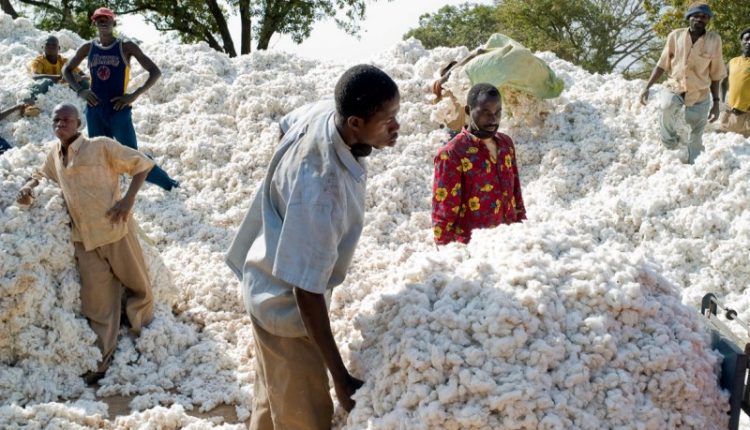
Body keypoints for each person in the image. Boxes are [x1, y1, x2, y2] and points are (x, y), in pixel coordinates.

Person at [225, 64, 400, 430]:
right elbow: (305, 292)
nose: (396, 126)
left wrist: (284, 192)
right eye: (387, 120)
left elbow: (285, 125)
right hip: (285, 311)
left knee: (273, 397)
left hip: (262, 279)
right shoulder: (322, 190)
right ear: (354, 122)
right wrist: (340, 379)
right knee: (304, 417)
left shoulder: (324, 111)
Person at [16, 103, 155, 385]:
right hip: (85, 241)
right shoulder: (55, 155)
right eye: (56, 119)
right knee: (97, 305)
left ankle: (146, 341)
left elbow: (143, 164)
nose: (60, 123)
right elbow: (41, 174)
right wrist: (29, 187)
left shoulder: (101, 146)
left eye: (66, 119)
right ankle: (102, 361)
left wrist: (128, 200)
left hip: (116, 230)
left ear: (79, 124)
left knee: (138, 286)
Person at [63, 7, 179, 191]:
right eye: (99, 19)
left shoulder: (126, 47)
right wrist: (80, 90)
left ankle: (170, 185)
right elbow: (66, 70)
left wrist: (133, 95)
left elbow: (155, 72)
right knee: (100, 154)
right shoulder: (88, 48)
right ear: (95, 22)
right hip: (95, 111)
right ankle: (109, 192)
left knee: (132, 156)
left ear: (113, 22)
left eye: (106, 19)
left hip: (118, 111)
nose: (102, 22)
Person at [432, 83, 525, 245]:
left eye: (498, 112)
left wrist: (522, 229)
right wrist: (446, 255)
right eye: (485, 112)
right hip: (474, 251)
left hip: (509, 245)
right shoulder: (453, 154)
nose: (493, 119)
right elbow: (443, 212)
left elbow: (516, 194)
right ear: (468, 111)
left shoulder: (505, 144)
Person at [639, 2, 726, 164]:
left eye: (704, 17)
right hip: (675, 87)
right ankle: (670, 143)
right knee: (666, 106)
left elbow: (716, 74)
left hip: (700, 93)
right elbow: (661, 64)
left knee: (696, 132)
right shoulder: (675, 36)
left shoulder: (714, 40)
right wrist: (647, 87)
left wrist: (716, 102)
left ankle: (695, 163)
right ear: (689, 17)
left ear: (708, 20)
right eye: (697, 16)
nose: (700, 19)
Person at [431, 33, 564, 132]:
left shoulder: (463, 77)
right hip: (526, 65)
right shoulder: (479, 63)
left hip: (518, 66)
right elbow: (478, 52)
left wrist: (445, 78)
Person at [23, 35, 88, 116]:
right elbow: (35, 76)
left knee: (84, 82)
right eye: (48, 45)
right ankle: (28, 105)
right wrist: (61, 77)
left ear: (59, 48)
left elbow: (85, 76)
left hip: (64, 88)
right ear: (43, 47)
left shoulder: (64, 61)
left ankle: (92, 101)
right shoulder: (38, 61)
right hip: (46, 88)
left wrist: (79, 78)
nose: (51, 47)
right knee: (46, 81)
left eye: (54, 45)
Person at [718, 28, 750, 138]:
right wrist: (722, 102)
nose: (749, 42)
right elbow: (723, 82)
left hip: (748, 117)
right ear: (741, 42)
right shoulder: (732, 62)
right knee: (722, 148)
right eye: (747, 39)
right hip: (730, 115)